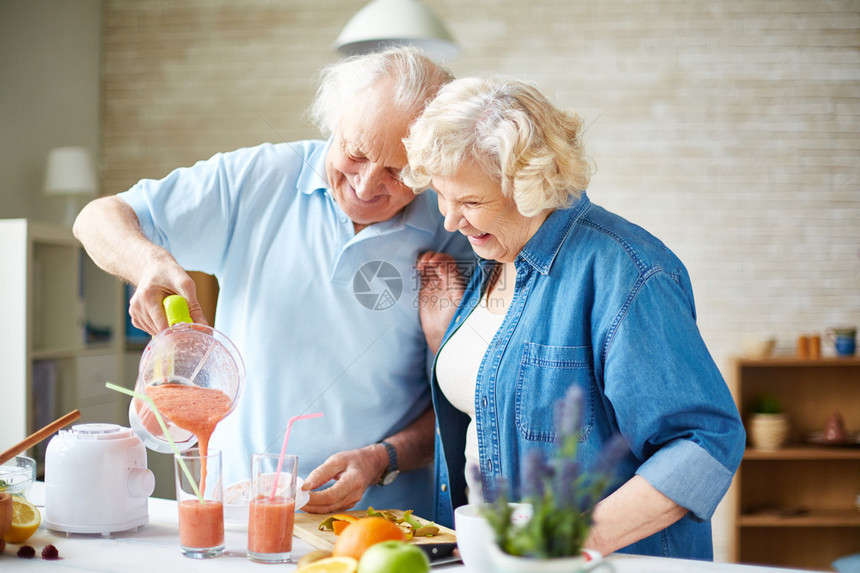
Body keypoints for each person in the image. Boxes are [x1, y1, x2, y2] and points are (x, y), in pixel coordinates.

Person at [73, 47, 472, 516]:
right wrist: (148, 263)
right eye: (356, 153)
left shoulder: (456, 228)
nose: (365, 188)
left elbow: (463, 401)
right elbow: (97, 218)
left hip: (383, 521)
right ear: (334, 121)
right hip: (244, 510)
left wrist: (381, 458)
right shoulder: (259, 178)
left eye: (399, 171)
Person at [402, 76, 746, 559]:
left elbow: (704, 441)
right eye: (442, 195)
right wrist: (445, 341)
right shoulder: (491, 257)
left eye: (471, 202)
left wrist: (573, 542)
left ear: (530, 184)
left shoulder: (628, 271)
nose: (450, 222)